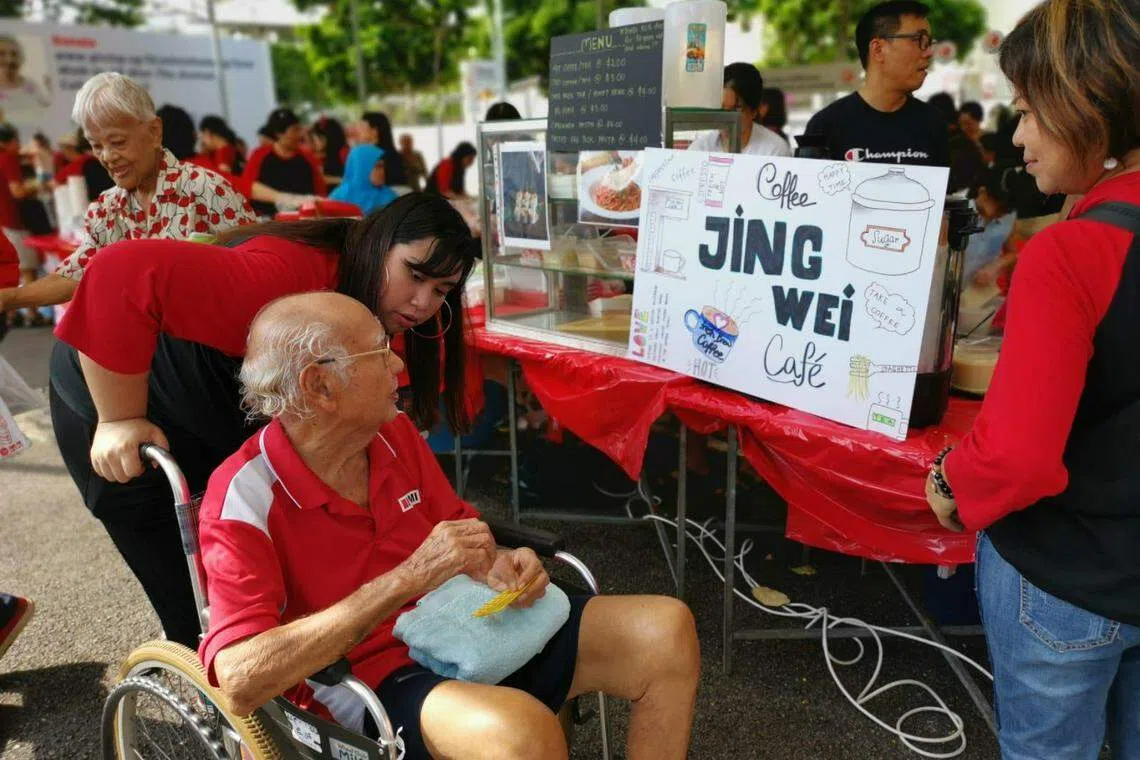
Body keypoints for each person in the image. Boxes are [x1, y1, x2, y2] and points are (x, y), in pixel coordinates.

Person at [200, 290, 700, 760]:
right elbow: (240, 678)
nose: (397, 362)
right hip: (367, 678)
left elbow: (462, 529)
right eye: (379, 351)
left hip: (462, 623)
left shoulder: (392, 433)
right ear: (321, 386)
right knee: (521, 732)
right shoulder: (243, 498)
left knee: (664, 629)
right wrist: (405, 580)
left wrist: (502, 565)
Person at [50, 193, 481, 650]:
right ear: (379, 244)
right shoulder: (285, 275)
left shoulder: (382, 306)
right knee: (196, 598)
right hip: (114, 385)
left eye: (440, 291)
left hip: (220, 402)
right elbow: (118, 273)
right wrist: (120, 417)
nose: (422, 303)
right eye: (415, 275)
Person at [925, 1, 1140, 757]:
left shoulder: (1072, 253)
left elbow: (1017, 456)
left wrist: (951, 482)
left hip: (1065, 580)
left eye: (1026, 112)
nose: (1016, 136)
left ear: (1086, 106)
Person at [0, 73, 256, 318]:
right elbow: (75, 275)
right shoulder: (106, 209)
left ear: (154, 132)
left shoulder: (206, 189)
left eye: (118, 142)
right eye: (96, 146)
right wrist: (10, 298)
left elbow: (257, 270)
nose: (107, 157)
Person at [803, 1, 948, 168]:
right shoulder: (826, 126)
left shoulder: (932, 123)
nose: (929, 52)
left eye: (929, 42)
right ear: (878, 49)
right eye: (918, 40)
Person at [687, 63, 792, 157]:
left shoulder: (774, 150)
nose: (725, 118)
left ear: (754, 111)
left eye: (735, 110)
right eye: (721, 108)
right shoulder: (700, 149)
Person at [242, 107, 326, 217]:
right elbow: (246, 188)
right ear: (279, 134)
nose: (300, 135)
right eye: (295, 130)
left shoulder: (307, 158)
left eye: (299, 129)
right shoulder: (259, 155)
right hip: (267, 221)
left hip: (303, 219)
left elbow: (320, 192)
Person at [0, 124, 43, 326]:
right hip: (14, 221)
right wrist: (38, 185)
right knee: (27, 270)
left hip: (6, 220)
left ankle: (14, 313)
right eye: (17, 141)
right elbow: (17, 191)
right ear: (9, 142)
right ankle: (31, 314)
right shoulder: (8, 159)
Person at [962, 169, 1015, 285]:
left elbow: (1011, 253)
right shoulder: (953, 212)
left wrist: (996, 265)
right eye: (1000, 208)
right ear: (983, 193)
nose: (1002, 215)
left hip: (978, 292)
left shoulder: (1008, 216)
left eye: (1007, 211)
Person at [330, 144, 398, 215]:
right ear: (361, 168)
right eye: (378, 167)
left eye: (382, 167)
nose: (382, 172)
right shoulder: (338, 197)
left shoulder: (389, 197)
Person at [0, 35, 50, 114]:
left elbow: (47, 111)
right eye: (1, 54)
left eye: (14, 54)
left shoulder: (31, 85)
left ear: (21, 59)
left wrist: (53, 91)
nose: (9, 60)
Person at [360, 112, 409, 191]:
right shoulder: (393, 155)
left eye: (362, 127)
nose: (358, 131)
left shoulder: (377, 156)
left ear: (374, 131)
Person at [310, 116, 348, 189]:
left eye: (318, 138)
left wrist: (330, 179)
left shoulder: (343, 153)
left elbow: (350, 180)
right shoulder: (315, 155)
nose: (314, 142)